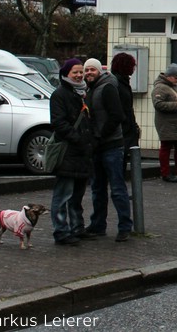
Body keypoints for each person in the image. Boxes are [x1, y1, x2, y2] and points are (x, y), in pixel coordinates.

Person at [84, 58, 134, 242]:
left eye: (92, 70)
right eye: (86, 70)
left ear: (99, 71)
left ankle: (125, 227)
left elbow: (117, 116)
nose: (89, 73)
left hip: (111, 146)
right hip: (97, 147)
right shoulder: (91, 89)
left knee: (117, 188)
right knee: (97, 189)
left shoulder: (107, 88)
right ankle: (98, 225)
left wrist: (99, 136)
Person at [49, 58, 95, 246]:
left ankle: (77, 228)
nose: (78, 75)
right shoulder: (60, 95)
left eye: (80, 72)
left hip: (82, 153)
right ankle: (61, 231)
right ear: (66, 74)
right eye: (74, 72)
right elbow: (58, 123)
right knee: (63, 194)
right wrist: (78, 138)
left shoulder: (82, 93)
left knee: (77, 195)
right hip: (68, 152)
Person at [109, 52, 141, 171]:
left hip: (126, 130)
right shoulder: (118, 84)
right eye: (132, 66)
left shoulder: (121, 82)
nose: (133, 69)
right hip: (123, 131)